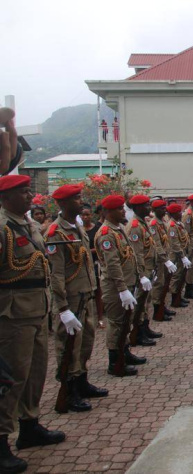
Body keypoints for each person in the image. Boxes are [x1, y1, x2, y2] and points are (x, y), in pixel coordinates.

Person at [0, 175, 66, 474]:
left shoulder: (26, 225)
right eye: (23, 192)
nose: (30, 197)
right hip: (12, 315)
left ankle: (29, 425)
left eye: (29, 191)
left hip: (37, 310)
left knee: (36, 372)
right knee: (11, 378)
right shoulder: (3, 228)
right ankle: (1, 442)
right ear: (5, 197)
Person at [45, 184, 109, 414]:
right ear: (62, 204)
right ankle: (68, 390)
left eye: (80, 197)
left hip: (86, 294)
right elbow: (56, 274)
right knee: (68, 347)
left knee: (85, 343)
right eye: (76, 198)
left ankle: (81, 381)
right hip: (70, 299)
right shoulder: (55, 232)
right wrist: (62, 307)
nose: (81, 201)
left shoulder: (77, 227)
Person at [94, 194, 143, 377]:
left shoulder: (119, 228)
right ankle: (115, 361)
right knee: (115, 323)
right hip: (115, 286)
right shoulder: (106, 233)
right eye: (119, 209)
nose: (124, 211)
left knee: (125, 321)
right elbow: (112, 264)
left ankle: (125, 352)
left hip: (127, 281)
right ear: (107, 212)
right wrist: (122, 289)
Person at [125, 195, 162, 347]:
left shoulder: (142, 223)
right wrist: (141, 275)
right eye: (147, 205)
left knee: (145, 302)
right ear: (138, 207)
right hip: (142, 270)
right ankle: (137, 333)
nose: (149, 208)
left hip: (148, 268)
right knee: (140, 303)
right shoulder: (134, 226)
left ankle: (144, 328)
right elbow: (137, 253)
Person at [149, 200, 178, 321]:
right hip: (160, 259)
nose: (164, 210)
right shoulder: (154, 224)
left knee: (164, 283)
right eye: (161, 208)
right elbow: (157, 244)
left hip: (165, 257)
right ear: (155, 210)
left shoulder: (162, 222)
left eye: (164, 208)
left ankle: (162, 306)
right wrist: (165, 260)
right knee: (159, 284)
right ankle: (157, 311)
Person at [166, 204, 192, 308]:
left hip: (182, 253)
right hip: (176, 256)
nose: (180, 213)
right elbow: (175, 244)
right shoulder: (172, 226)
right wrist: (182, 256)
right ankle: (174, 300)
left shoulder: (178, 224)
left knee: (181, 276)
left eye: (180, 212)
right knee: (176, 277)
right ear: (172, 213)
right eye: (178, 212)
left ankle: (179, 297)